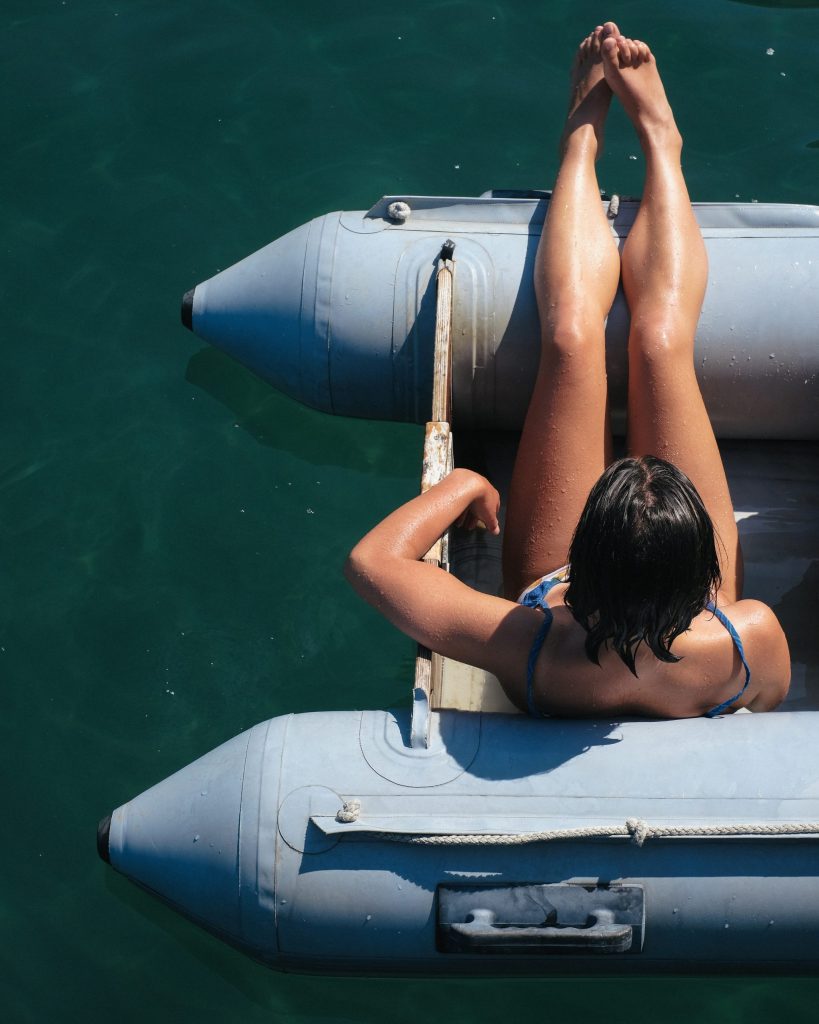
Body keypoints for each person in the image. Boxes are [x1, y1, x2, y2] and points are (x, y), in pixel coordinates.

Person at [344, 23, 790, 718]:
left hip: (564, 624)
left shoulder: (527, 641)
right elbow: (766, 703)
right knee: (659, 341)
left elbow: (372, 564)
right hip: (690, 629)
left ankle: (581, 143)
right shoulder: (748, 639)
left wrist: (463, 484)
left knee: (573, 337)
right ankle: (661, 145)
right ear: (703, 566)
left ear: (585, 553)